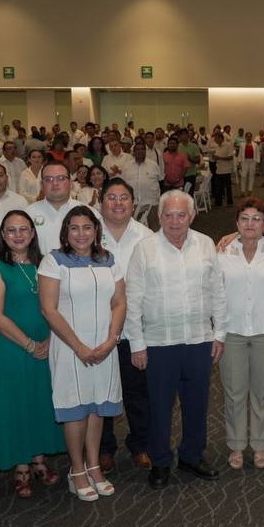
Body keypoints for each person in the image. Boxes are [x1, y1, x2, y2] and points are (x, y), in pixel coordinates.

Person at [125, 190, 226, 489]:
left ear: (191, 216)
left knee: (197, 403)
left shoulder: (205, 244)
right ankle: (160, 460)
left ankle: (192, 455)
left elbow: (218, 292)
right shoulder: (144, 249)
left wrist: (219, 333)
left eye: (181, 215)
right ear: (159, 216)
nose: (174, 221)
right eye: (168, 214)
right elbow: (133, 299)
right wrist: (137, 343)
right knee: (159, 406)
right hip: (159, 343)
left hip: (198, 340)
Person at [37, 206, 125, 501]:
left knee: (97, 407)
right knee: (76, 409)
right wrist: (79, 347)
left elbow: (119, 302)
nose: (81, 234)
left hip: (104, 347)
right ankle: (76, 471)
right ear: (65, 232)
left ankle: (94, 465)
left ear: (96, 231)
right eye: (74, 228)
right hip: (70, 349)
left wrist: (112, 339)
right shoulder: (53, 261)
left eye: (87, 227)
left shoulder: (108, 260)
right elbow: (48, 309)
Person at [0, 210, 64, 498]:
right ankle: (20, 465)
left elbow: (58, 306)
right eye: (11, 230)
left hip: (46, 345)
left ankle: (39, 460)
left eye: (23, 229)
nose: (18, 235)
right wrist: (29, 345)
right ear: (3, 236)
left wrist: (51, 340)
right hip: (11, 349)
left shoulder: (46, 264)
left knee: (40, 403)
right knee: (15, 405)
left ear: (32, 233)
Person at [216, 197, 264, 470]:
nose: (250, 224)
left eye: (257, 219)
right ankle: (236, 445)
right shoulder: (221, 251)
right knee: (234, 392)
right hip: (231, 332)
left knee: (263, 392)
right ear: (236, 223)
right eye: (244, 218)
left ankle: (260, 445)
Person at [94, 179, 154, 472]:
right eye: (111, 197)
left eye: (124, 198)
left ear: (133, 202)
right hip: (97, 328)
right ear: (101, 202)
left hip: (134, 330)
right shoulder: (87, 233)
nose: (118, 203)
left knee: (137, 392)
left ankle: (140, 445)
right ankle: (104, 448)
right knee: (101, 390)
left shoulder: (146, 236)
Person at [27, 161, 95, 254]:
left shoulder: (90, 213)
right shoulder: (28, 214)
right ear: (42, 185)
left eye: (61, 178)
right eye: (48, 179)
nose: (55, 183)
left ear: (70, 183)